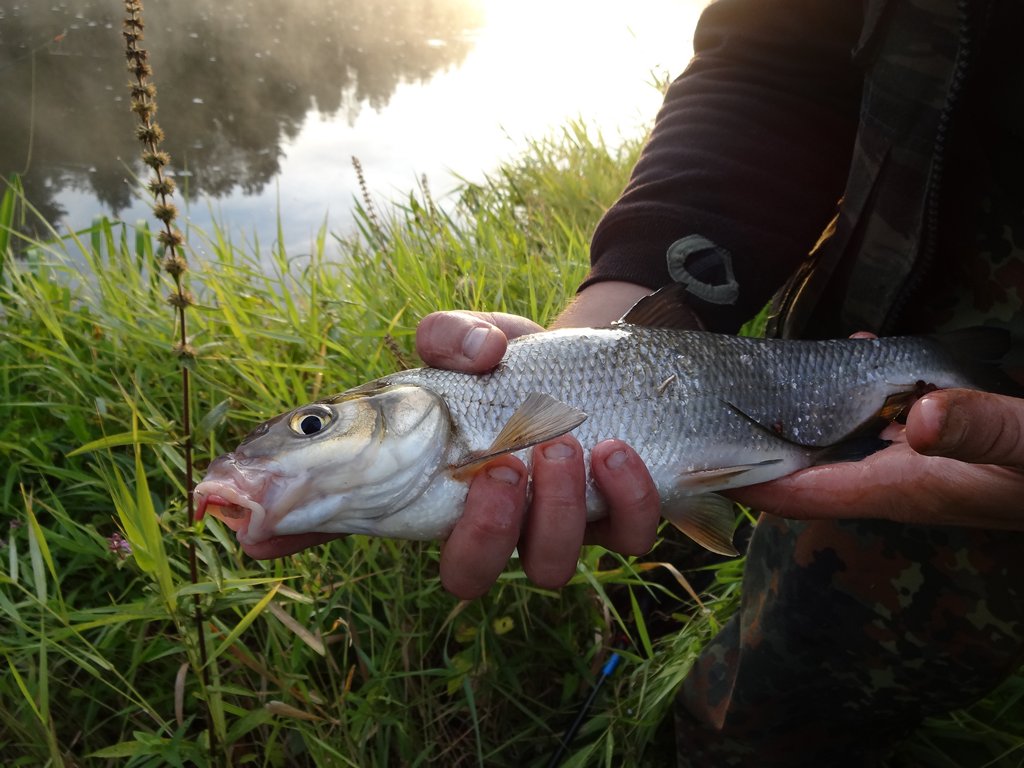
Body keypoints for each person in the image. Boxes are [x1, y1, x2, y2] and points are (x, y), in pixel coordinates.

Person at [416, 0, 1024, 764]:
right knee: (769, 707)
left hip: (934, 429)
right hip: (877, 419)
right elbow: (775, 59)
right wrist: (614, 310)